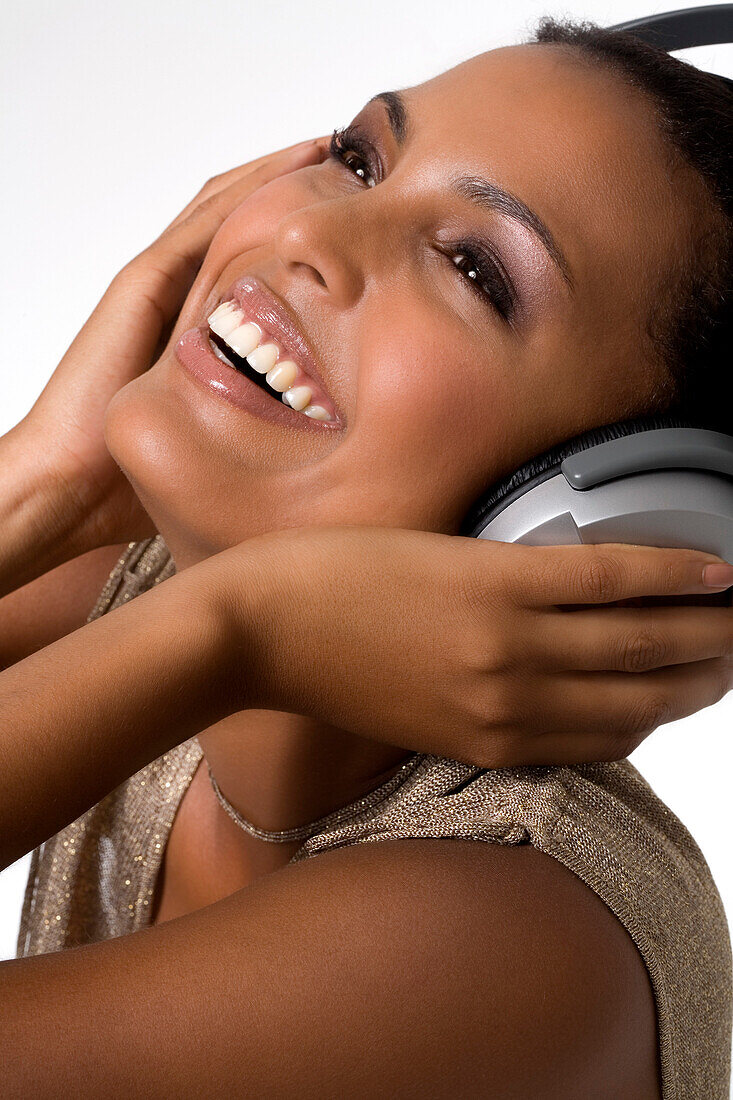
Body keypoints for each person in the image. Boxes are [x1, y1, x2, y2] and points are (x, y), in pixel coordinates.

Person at [0, 14, 731, 1098]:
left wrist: (243, 628)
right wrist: (36, 496)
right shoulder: (140, 592)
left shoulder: (512, 937)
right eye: (358, 158)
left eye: (475, 268)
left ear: (627, 510)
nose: (309, 238)